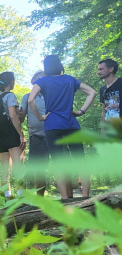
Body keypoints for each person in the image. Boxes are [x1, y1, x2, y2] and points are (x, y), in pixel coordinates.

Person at [27, 55, 96, 199]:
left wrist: (40, 117)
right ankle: (85, 197)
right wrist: (81, 111)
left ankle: (65, 199)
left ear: (46, 67)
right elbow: (92, 92)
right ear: (59, 65)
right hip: (71, 124)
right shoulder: (70, 79)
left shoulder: (42, 81)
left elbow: (30, 100)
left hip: (52, 125)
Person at [0, 72, 26, 198]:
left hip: (0, 136)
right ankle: (21, 199)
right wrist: (21, 135)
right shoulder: (10, 96)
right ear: (11, 81)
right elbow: (12, 116)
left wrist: (20, 117)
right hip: (11, 134)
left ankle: (8, 198)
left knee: (5, 169)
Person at [19, 70, 48, 196]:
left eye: (44, 78)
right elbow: (20, 118)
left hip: (53, 134)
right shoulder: (27, 97)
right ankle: (39, 199)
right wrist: (17, 115)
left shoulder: (52, 95)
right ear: (33, 81)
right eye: (39, 78)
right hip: (36, 136)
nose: (41, 81)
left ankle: (67, 198)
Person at [97, 58, 120, 127]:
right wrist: (103, 131)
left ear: (111, 69)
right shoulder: (103, 89)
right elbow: (104, 111)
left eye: (101, 69)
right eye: (98, 69)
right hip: (110, 129)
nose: (98, 72)